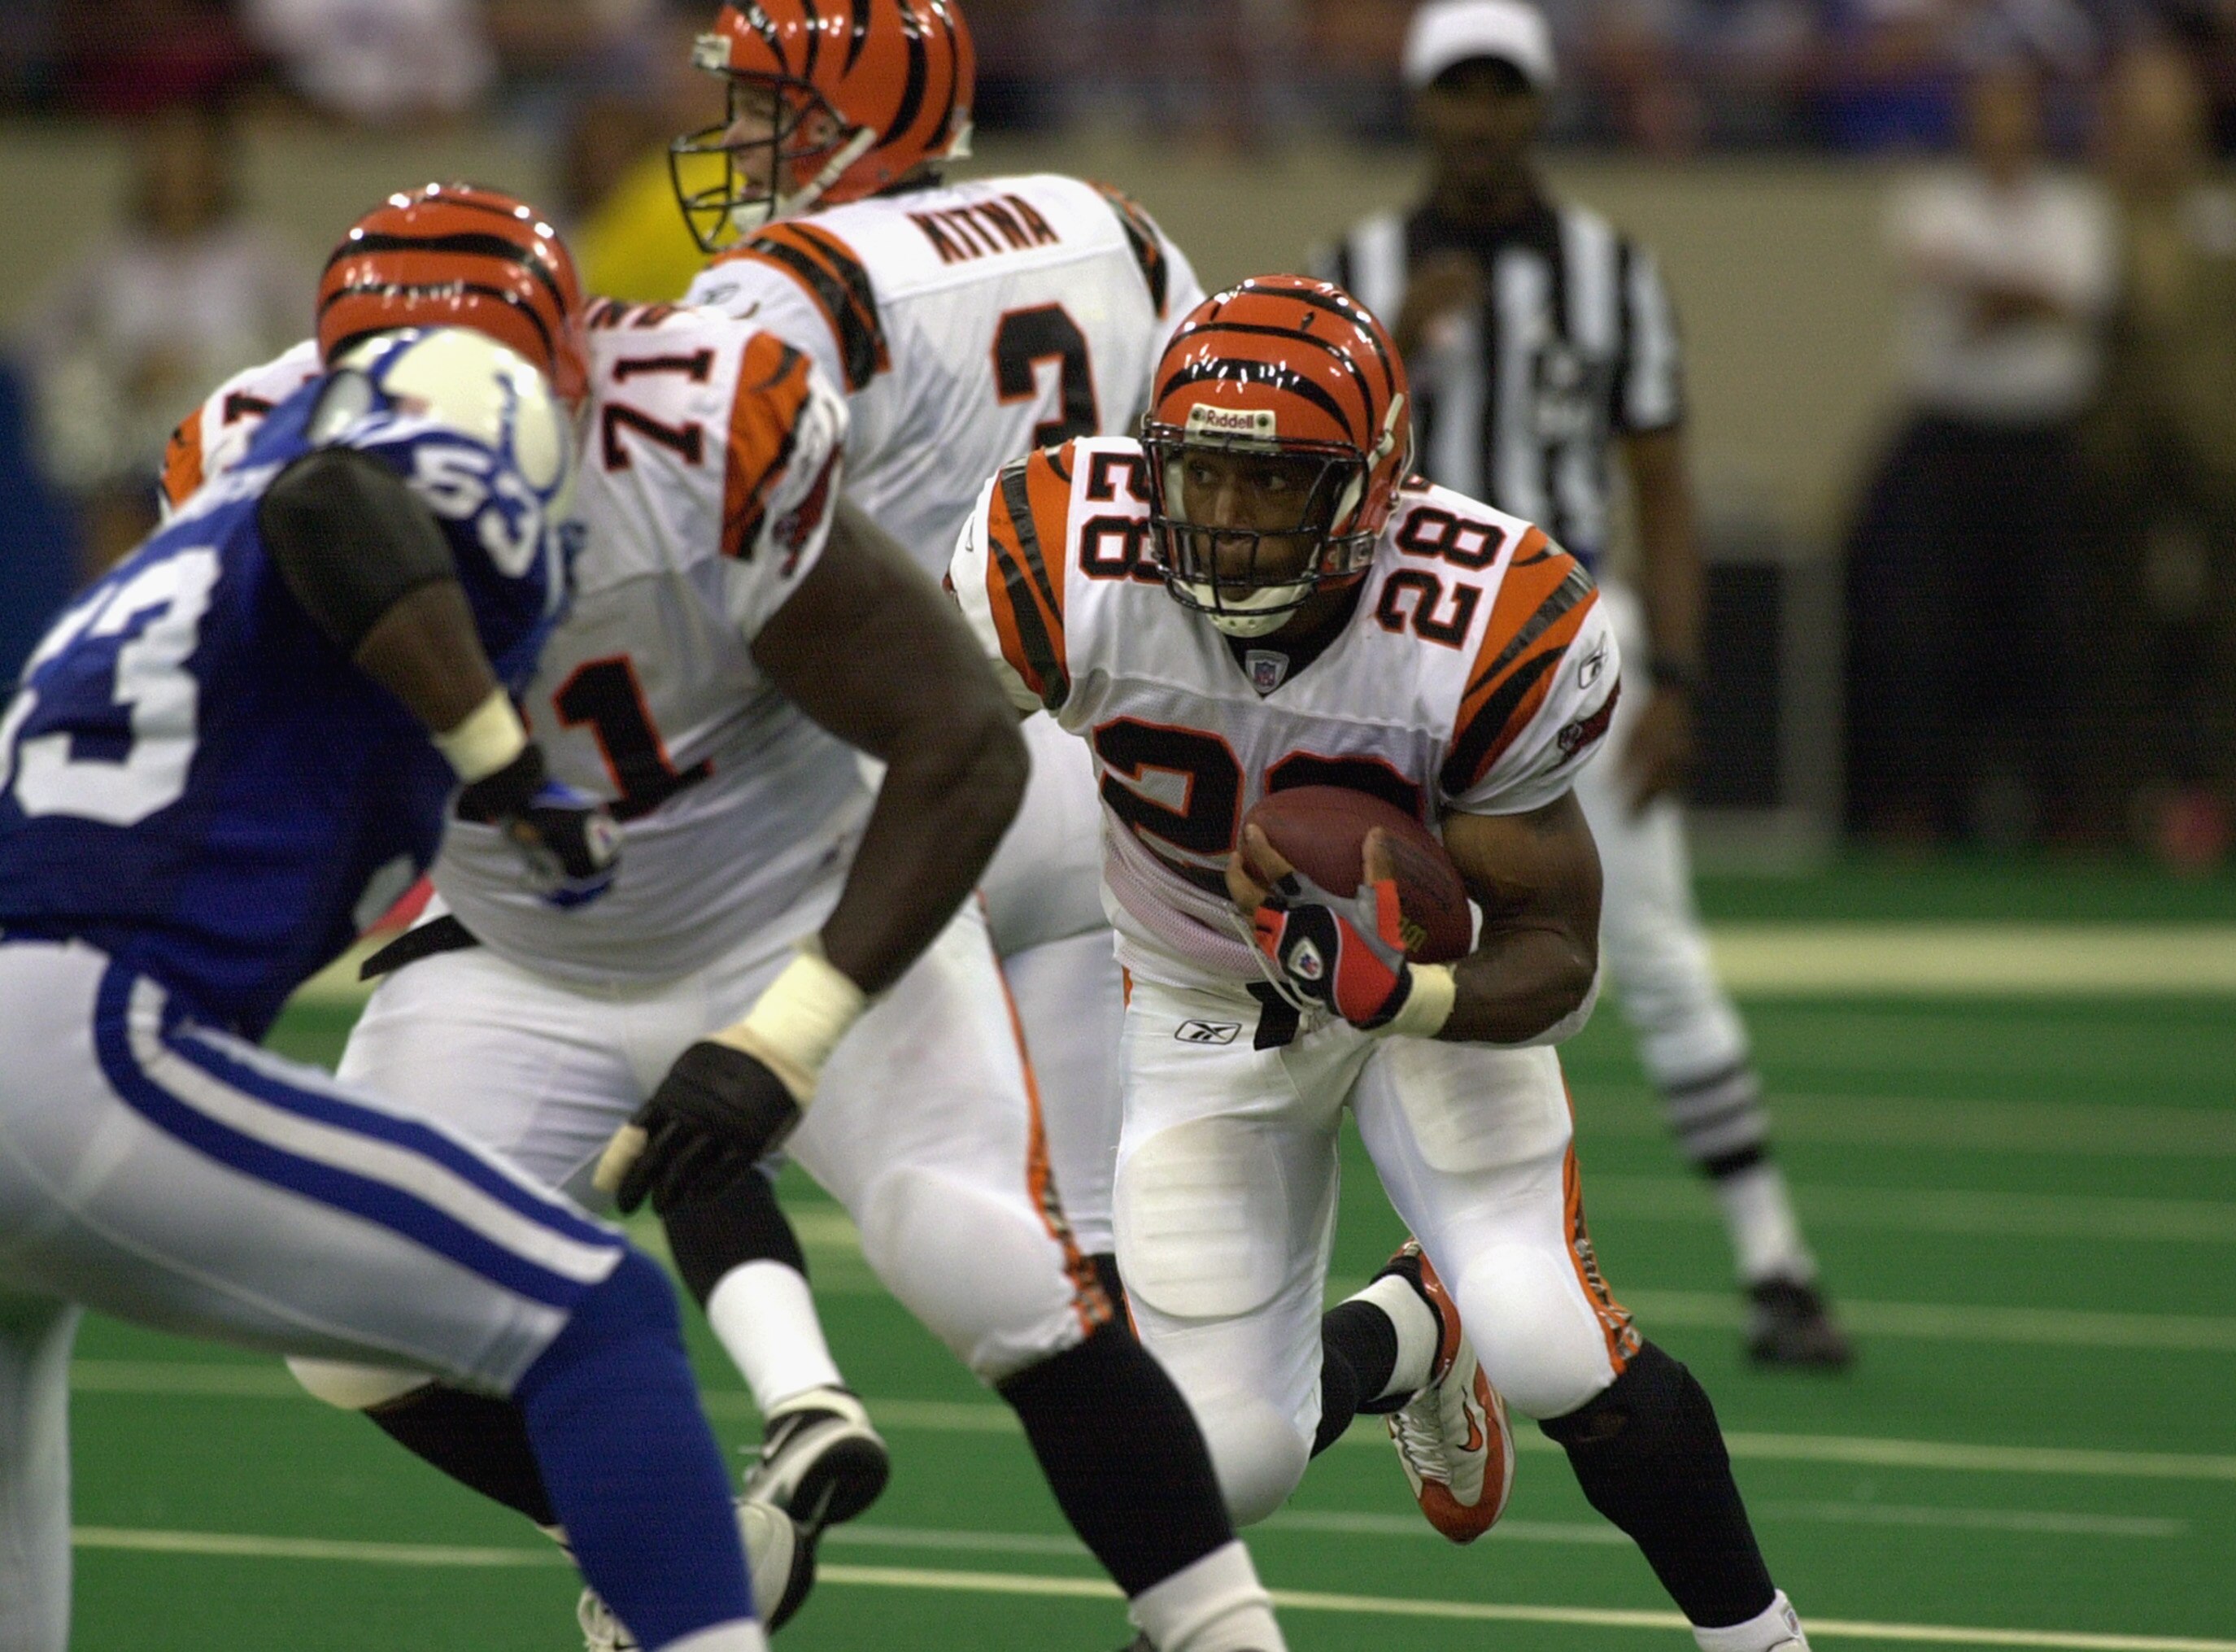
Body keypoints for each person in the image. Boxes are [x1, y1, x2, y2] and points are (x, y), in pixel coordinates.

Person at [170, 179, 1284, 1652]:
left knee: (997, 1270)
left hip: (788, 889)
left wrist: (785, 1035)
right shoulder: (248, 459)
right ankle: (690, 1537)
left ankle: (1228, 1634)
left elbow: (958, 744)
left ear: (579, 377)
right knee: (345, 1312)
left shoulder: (706, 425)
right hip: (525, 938)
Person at [951, 273, 1815, 1652]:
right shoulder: (1061, 551)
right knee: (1211, 1472)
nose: (1222, 524)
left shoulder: (1481, 619)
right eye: (1200, 475)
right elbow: (925, 750)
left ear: (1367, 490)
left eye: (1272, 484)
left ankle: (1761, 1639)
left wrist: (1398, 991)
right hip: (1197, 996)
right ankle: (1410, 1330)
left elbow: (1561, 955)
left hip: (1427, 1000)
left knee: (1548, 1340)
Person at [0, 204, 781, 1652]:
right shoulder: (427, 426)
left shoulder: (201, 519)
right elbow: (336, 505)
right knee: (591, 1311)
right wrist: (495, 751)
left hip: (36, 1022)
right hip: (72, 1043)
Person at [662, 0, 1201, 1482]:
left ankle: (801, 1405)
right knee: (1085, 1258)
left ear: (860, 119)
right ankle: (1191, 1590)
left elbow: (705, 554)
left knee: (703, 1102)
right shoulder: (1114, 229)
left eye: (766, 107)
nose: (735, 139)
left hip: (892, 791)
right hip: (1091, 779)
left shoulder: (786, 285)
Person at [1316, 0, 1847, 1366]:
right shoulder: (1356, 271)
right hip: (1393, 643)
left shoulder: (1612, 271)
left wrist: (1673, 674)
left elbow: (1661, 487)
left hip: (1561, 642)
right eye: (1456, 92)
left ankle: (1773, 1261)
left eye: (1501, 92)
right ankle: (1417, 1276)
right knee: (1368, 956)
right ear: (1423, 106)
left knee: (1652, 947)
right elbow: (1294, 471)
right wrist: (1385, 340)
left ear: (1537, 105)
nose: (1478, 119)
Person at [1845, 61, 2112, 847]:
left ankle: (2061, 812)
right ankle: (1923, 806)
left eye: (2015, 112)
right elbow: (1939, 274)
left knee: (2053, 632)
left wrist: (1990, 292)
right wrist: (2027, 297)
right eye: (1986, 112)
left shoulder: (2076, 207)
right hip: (1949, 439)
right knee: (1929, 629)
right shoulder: (1928, 201)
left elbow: (2078, 300)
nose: (2001, 128)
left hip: (2046, 443)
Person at [2082, 43, 2236, 857]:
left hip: (2229, 448)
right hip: (2121, 446)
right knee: (2117, 639)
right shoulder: (2094, 209)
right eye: (2136, 109)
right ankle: (2112, 812)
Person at [18, 98, 300, 580]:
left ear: (216, 170)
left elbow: (314, 331)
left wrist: (224, 373)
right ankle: (103, 631)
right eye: (166, 159)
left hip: (217, 448)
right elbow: (36, 338)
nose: (179, 174)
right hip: (127, 445)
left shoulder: (254, 254)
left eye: (192, 160)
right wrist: (119, 369)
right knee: (112, 535)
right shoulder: (116, 257)